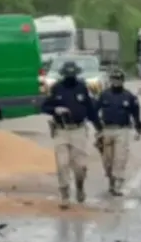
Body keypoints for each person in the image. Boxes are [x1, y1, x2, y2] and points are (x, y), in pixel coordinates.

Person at [40, 61, 103, 209]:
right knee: (62, 164)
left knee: (80, 166)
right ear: (63, 74)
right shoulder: (56, 88)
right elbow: (43, 106)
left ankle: (80, 187)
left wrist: (99, 128)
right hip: (61, 131)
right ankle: (64, 195)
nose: (70, 77)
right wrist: (56, 109)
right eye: (67, 75)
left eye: (72, 74)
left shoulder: (82, 88)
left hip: (79, 130)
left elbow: (90, 110)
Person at [96, 69, 141, 196]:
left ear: (122, 81)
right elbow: (94, 111)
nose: (116, 82)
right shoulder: (104, 95)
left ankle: (118, 183)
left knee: (120, 158)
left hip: (122, 130)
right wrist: (98, 129)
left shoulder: (129, 96)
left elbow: (136, 114)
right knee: (107, 159)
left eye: (118, 79)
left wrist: (139, 129)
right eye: (114, 79)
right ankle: (111, 180)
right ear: (110, 80)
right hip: (107, 130)